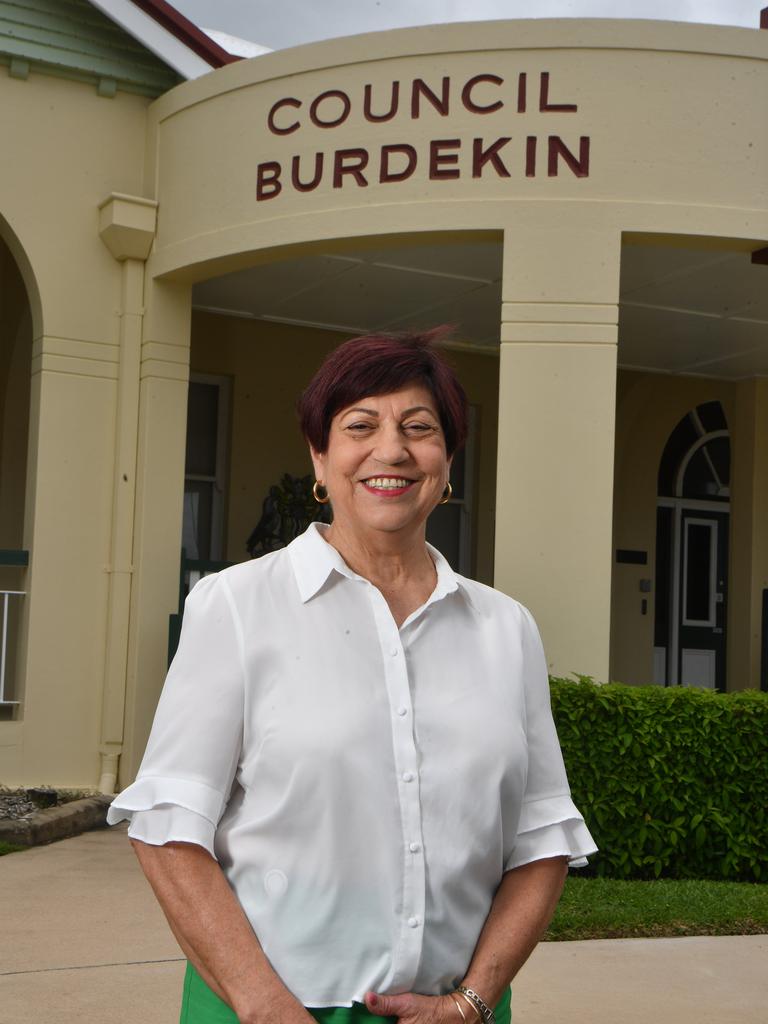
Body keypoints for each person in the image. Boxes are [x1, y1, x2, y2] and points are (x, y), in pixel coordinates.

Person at [107, 328, 597, 1024]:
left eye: (419, 428)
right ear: (320, 454)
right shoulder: (238, 606)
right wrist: (268, 1009)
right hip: (266, 1010)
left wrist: (472, 1001)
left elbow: (542, 838)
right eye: (359, 426)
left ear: (447, 460)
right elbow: (167, 829)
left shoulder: (505, 628)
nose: (391, 450)